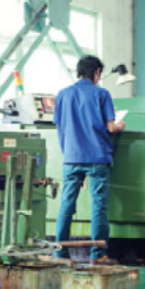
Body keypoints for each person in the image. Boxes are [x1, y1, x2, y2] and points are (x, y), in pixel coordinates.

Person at [52, 56, 126, 265]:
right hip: (97, 157)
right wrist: (118, 126)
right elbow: (110, 127)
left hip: (71, 157)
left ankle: (60, 254)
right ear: (96, 72)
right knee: (98, 206)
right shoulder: (101, 94)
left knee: (66, 204)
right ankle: (97, 255)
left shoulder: (63, 94)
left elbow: (59, 125)